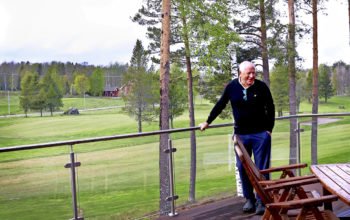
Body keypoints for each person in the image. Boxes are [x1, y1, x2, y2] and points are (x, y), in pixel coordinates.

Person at [199, 61, 275, 215]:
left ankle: (261, 200)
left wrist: (269, 129)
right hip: (240, 135)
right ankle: (249, 199)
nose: (252, 76)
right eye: (249, 73)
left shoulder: (261, 87)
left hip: (260, 134)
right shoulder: (232, 87)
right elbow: (220, 104)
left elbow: (270, 106)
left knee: (262, 168)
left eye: (254, 72)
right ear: (240, 73)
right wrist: (208, 121)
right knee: (242, 168)